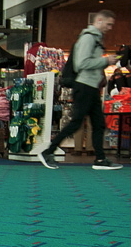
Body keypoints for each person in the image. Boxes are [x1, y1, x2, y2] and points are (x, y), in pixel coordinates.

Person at [38, 9, 122, 170]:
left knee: (98, 124)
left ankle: (100, 159)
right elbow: (81, 64)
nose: (110, 28)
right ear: (99, 21)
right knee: (77, 123)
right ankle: (48, 151)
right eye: (108, 24)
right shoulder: (88, 38)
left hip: (90, 87)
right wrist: (105, 61)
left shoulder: (95, 39)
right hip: (84, 86)